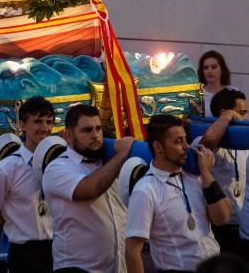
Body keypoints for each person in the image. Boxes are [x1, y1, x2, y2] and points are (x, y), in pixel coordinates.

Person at [125, 114, 230, 273]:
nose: (186, 146)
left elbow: (222, 218)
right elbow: (133, 250)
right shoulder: (145, 190)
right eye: (178, 141)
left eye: (185, 139)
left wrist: (206, 173)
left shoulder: (195, 178)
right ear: (158, 147)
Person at [42, 103, 133, 273]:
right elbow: (90, 189)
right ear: (68, 135)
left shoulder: (106, 161)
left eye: (99, 129)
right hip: (78, 269)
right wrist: (121, 155)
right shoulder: (57, 168)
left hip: (120, 266)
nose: (96, 135)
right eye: (87, 130)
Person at [0, 96, 55, 273]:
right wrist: (16, 225)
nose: (45, 128)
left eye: (49, 122)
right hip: (24, 253)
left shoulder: (57, 162)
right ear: (22, 125)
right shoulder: (7, 168)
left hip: (56, 249)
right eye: (37, 121)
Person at [196, 88, 248, 257]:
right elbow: (208, 141)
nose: (245, 118)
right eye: (241, 112)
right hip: (219, 227)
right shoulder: (212, 136)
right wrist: (227, 117)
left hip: (243, 227)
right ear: (224, 113)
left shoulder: (242, 137)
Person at [197, 51, 234, 116]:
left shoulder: (234, 93)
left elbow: (242, 118)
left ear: (222, 70)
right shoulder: (195, 94)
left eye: (214, 67)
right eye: (206, 68)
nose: (209, 71)